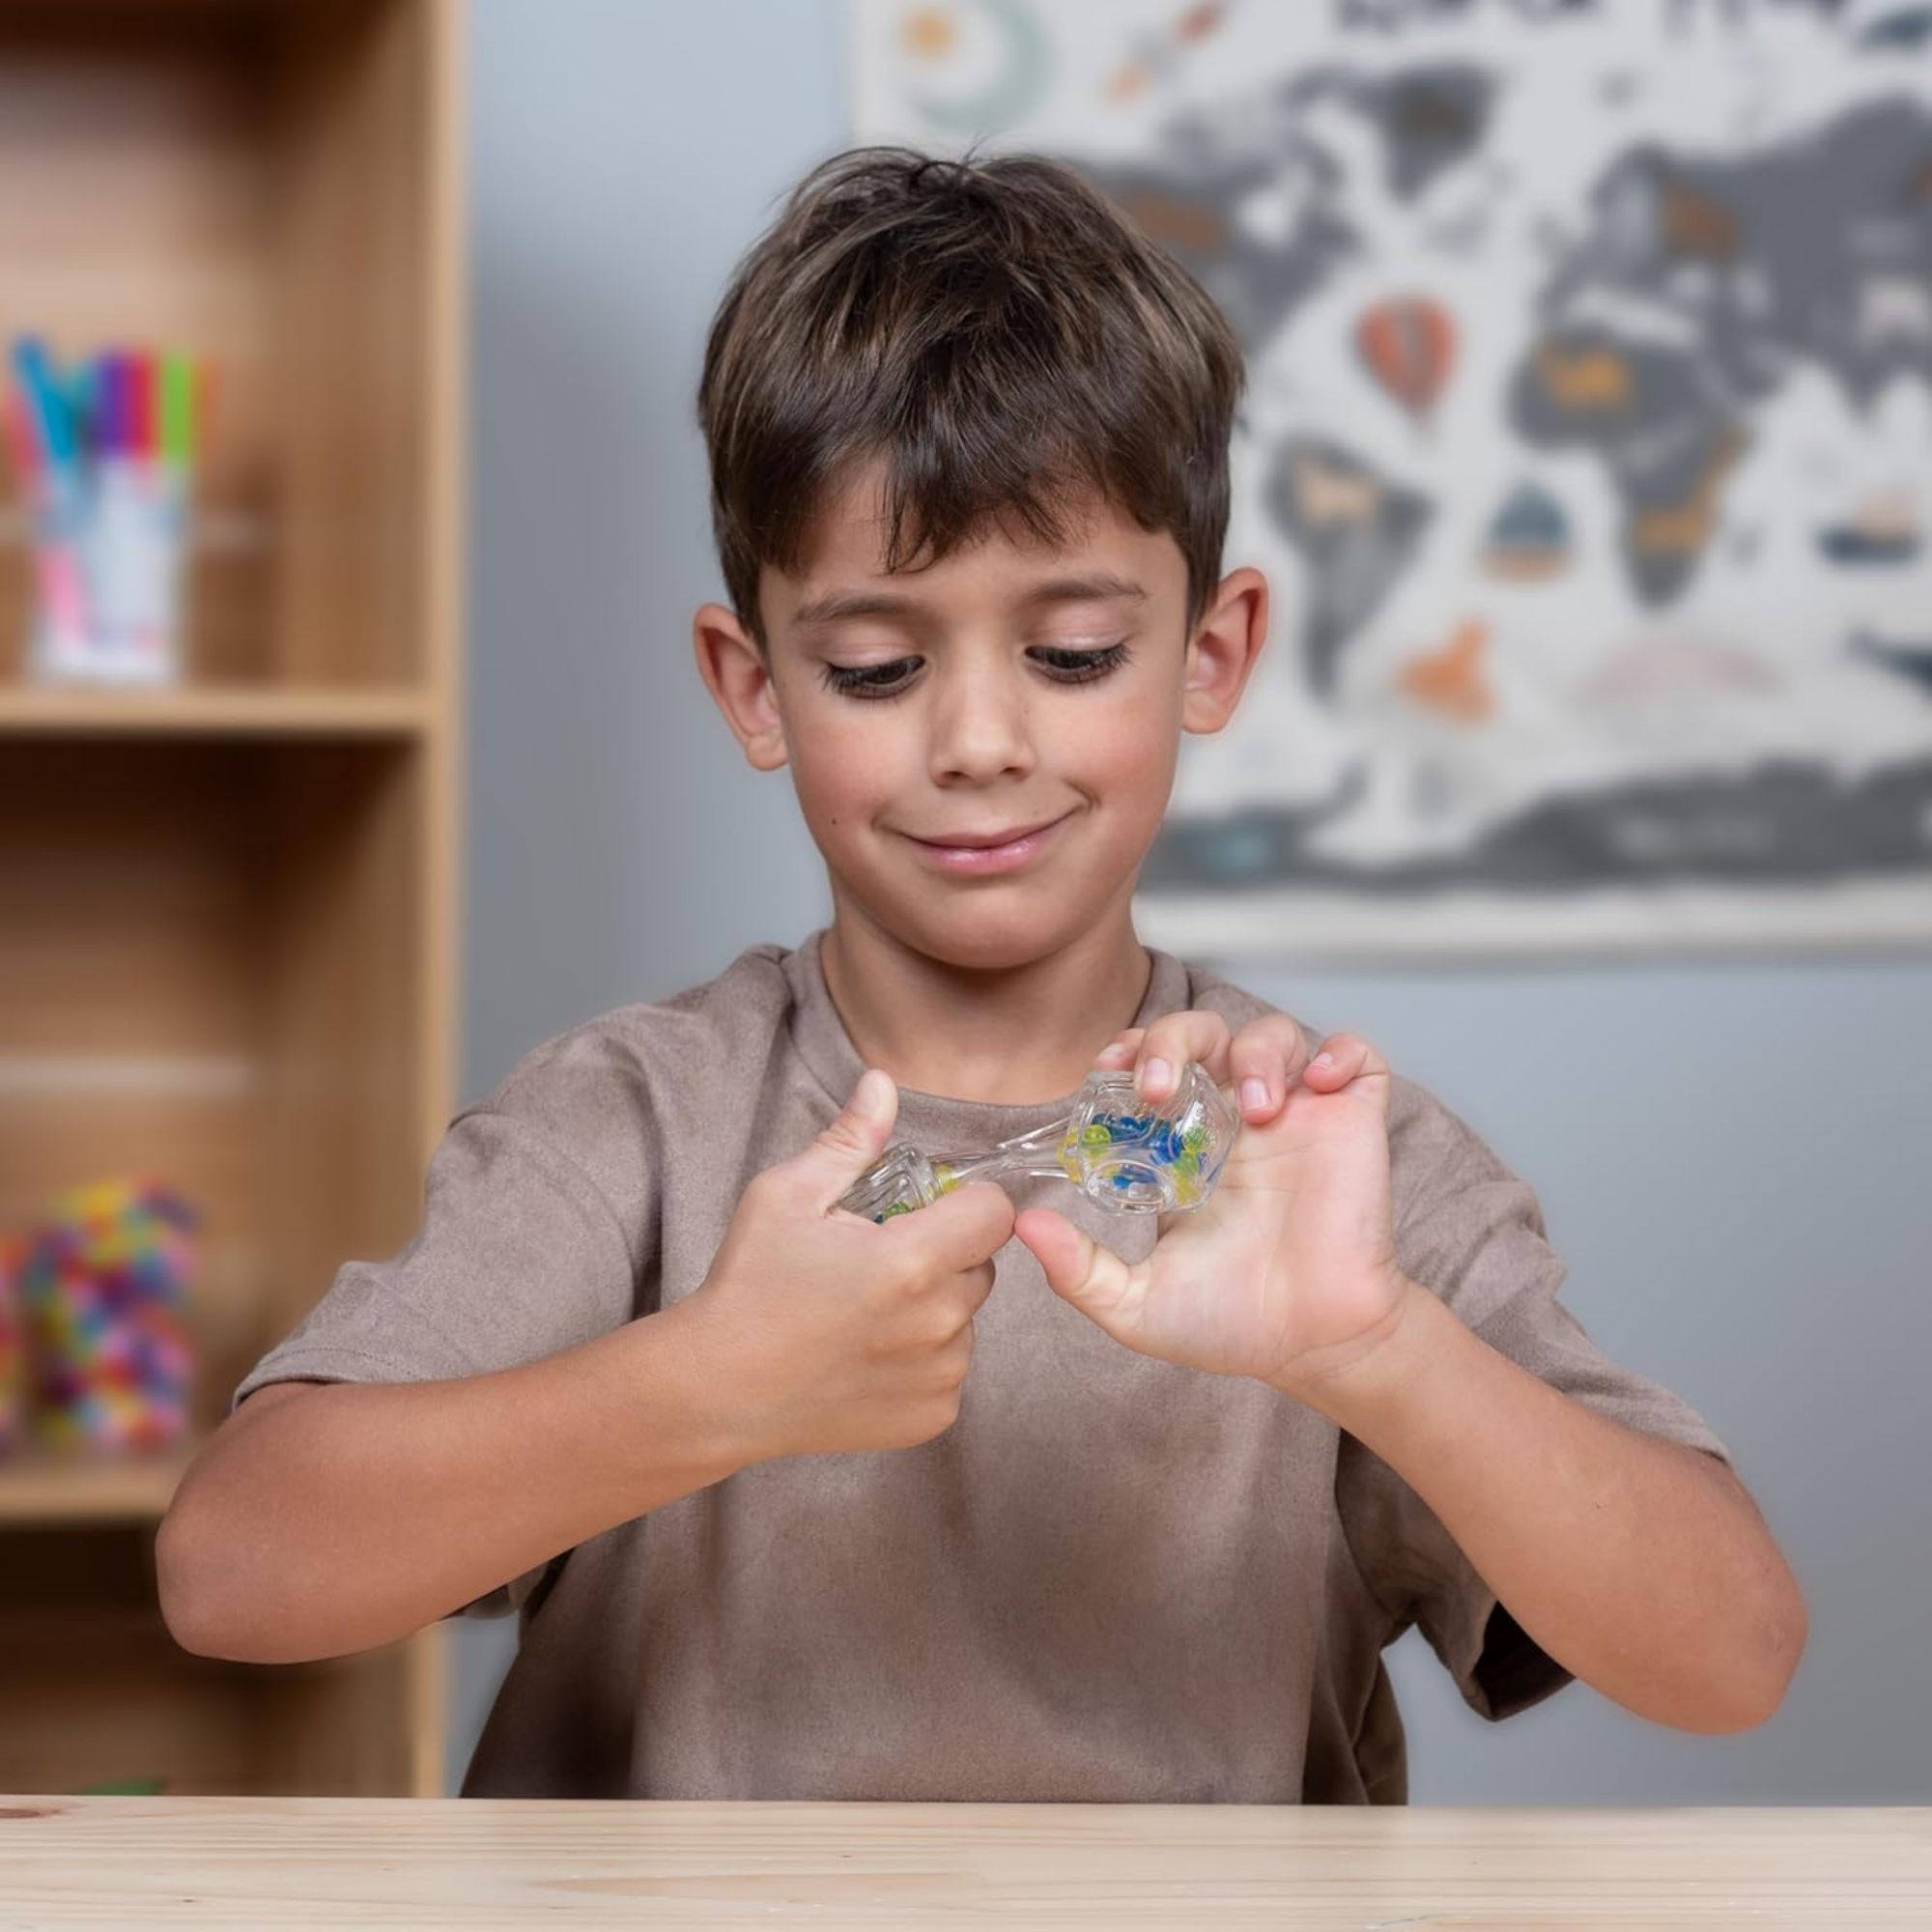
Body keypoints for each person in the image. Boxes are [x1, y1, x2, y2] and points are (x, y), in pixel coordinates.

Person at [156, 148, 1805, 1803]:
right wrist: (709, 1383)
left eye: (1073, 655)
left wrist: (1379, 1347)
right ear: (754, 687)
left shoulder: (1319, 1168)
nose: (980, 741)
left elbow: (1733, 1654)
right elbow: (230, 1570)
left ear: (1211, 653)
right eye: (878, 667)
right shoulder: (637, 1126)